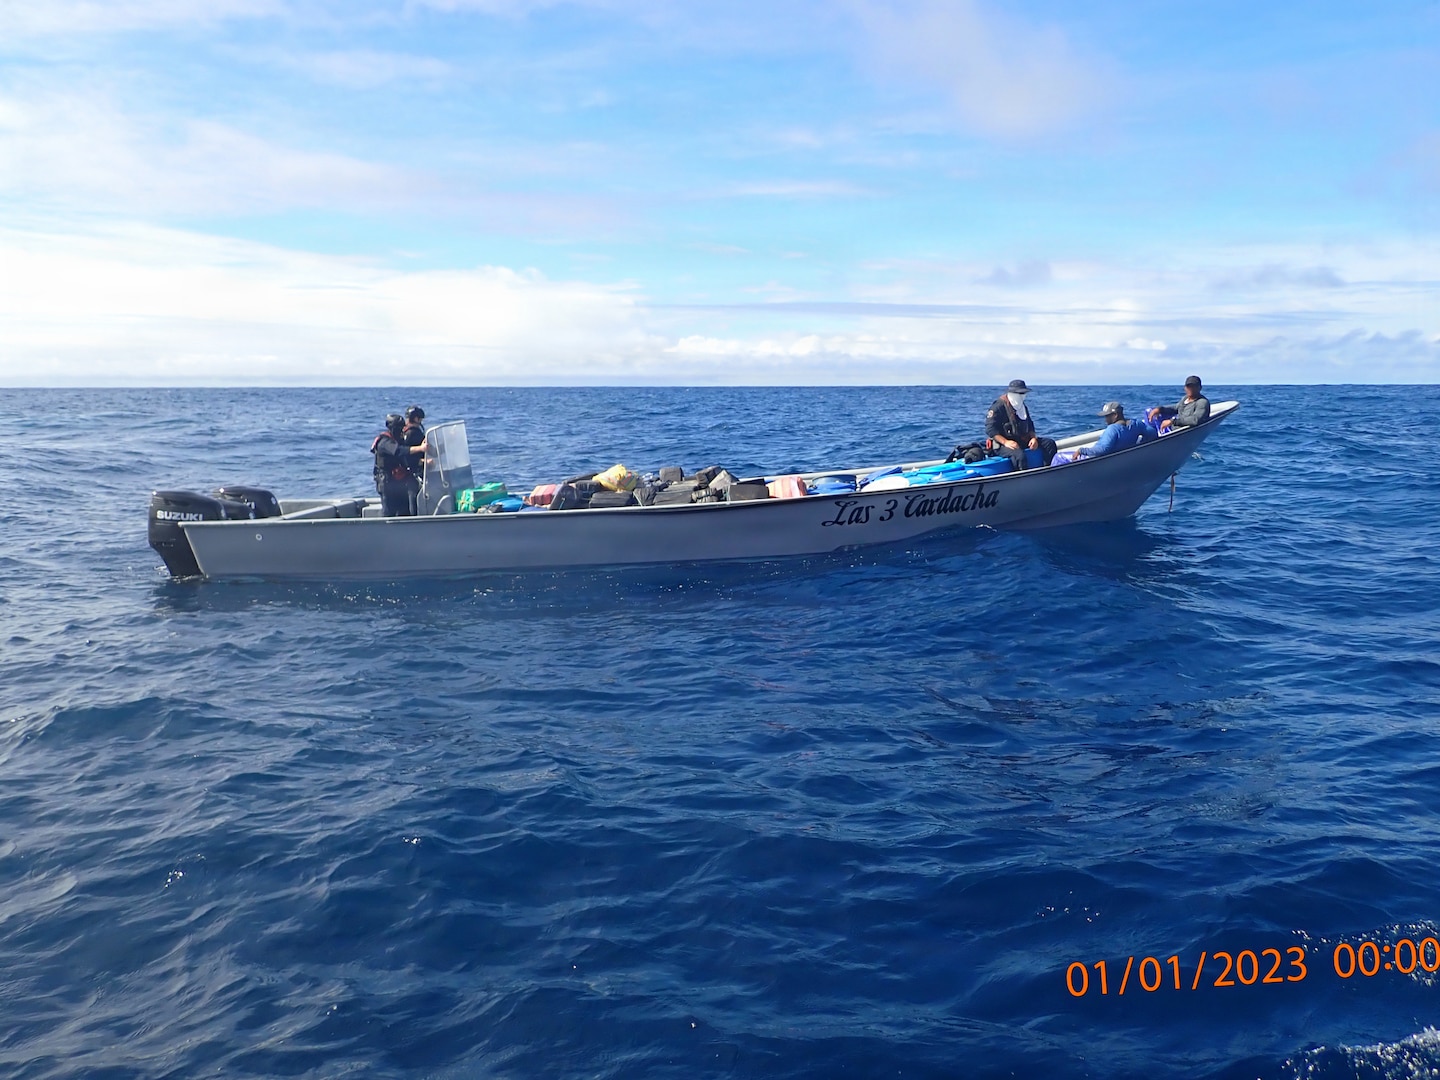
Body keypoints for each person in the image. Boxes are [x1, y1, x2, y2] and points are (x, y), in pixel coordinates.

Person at [985, 379, 1057, 470]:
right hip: (1003, 444)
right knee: (1019, 456)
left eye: (1024, 393)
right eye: (1019, 393)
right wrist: (1006, 442)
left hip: (1021, 439)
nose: (1022, 396)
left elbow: (1030, 424)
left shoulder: (1022, 406)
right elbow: (990, 429)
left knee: (1049, 444)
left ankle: (1048, 470)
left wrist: (1033, 438)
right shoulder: (998, 407)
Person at [1058, 402, 1156, 463]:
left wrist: (1081, 450)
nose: (1105, 419)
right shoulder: (1136, 424)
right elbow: (1152, 434)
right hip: (1122, 457)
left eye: (1107, 416)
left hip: (1094, 459)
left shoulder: (1113, 429)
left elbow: (1103, 449)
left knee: (1058, 457)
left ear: (1115, 415)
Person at [371, 413, 413, 516]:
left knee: (404, 511)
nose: (401, 430)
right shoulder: (384, 442)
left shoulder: (398, 440)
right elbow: (399, 451)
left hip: (398, 482)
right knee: (389, 512)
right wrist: (420, 448)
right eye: (399, 428)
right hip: (386, 482)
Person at [1147, 375, 1211, 434]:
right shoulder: (1185, 398)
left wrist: (1172, 421)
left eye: (1194, 386)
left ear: (1200, 388)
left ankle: (1153, 435)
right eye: (1188, 386)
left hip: (1180, 432)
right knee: (1149, 411)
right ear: (1185, 388)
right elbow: (1175, 408)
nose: (1191, 389)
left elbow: (1195, 419)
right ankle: (1150, 434)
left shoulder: (1202, 402)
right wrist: (1160, 409)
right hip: (1173, 426)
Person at [401, 405, 427, 516]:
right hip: (414, 471)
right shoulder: (414, 433)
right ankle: (415, 519)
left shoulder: (404, 432)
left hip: (407, 472)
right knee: (414, 497)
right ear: (416, 419)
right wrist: (423, 462)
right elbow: (409, 456)